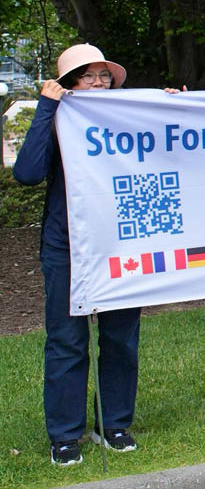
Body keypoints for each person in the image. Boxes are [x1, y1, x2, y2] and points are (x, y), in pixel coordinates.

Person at [15, 45, 145, 466]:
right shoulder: (57, 121)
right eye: (86, 76)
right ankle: (65, 435)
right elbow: (27, 173)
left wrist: (177, 106)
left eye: (103, 75)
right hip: (66, 246)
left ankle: (115, 425)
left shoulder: (129, 116)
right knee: (68, 341)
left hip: (121, 243)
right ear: (69, 83)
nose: (98, 83)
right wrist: (46, 108)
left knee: (120, 339)